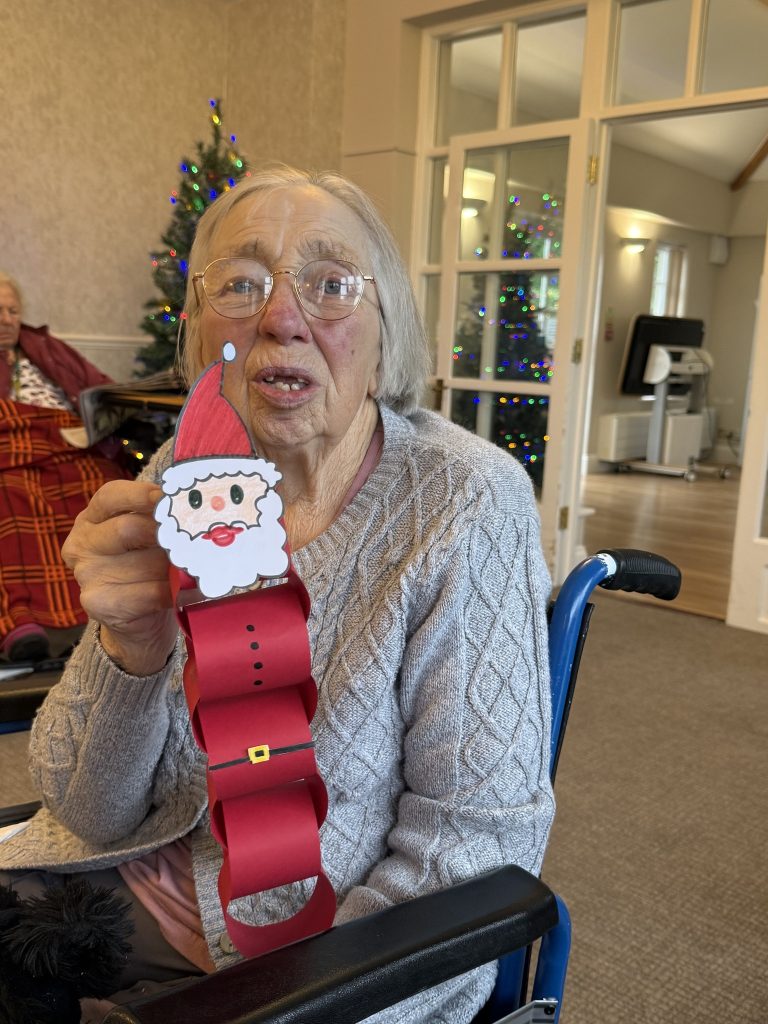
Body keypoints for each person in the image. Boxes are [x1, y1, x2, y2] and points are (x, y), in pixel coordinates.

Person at [0, 168, 555, 1022]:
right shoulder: (188, 472)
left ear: (385, 330)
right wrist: (130, 653)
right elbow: (88, 811)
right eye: (242, 282)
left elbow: (469, 856)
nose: (281, 317)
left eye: (332, 285)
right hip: (99, 895)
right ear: (197, 326)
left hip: (304, 969)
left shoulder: (463, 500)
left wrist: (304, 1008)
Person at [0, 272, 130, 663]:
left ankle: (99, 617)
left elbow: (101, 389)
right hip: (10, 447)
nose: (6, 318)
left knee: (105, 488)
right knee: (11, 495)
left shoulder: (47, 347)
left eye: (13, 310)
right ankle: (20, 622)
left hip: (68, 443)